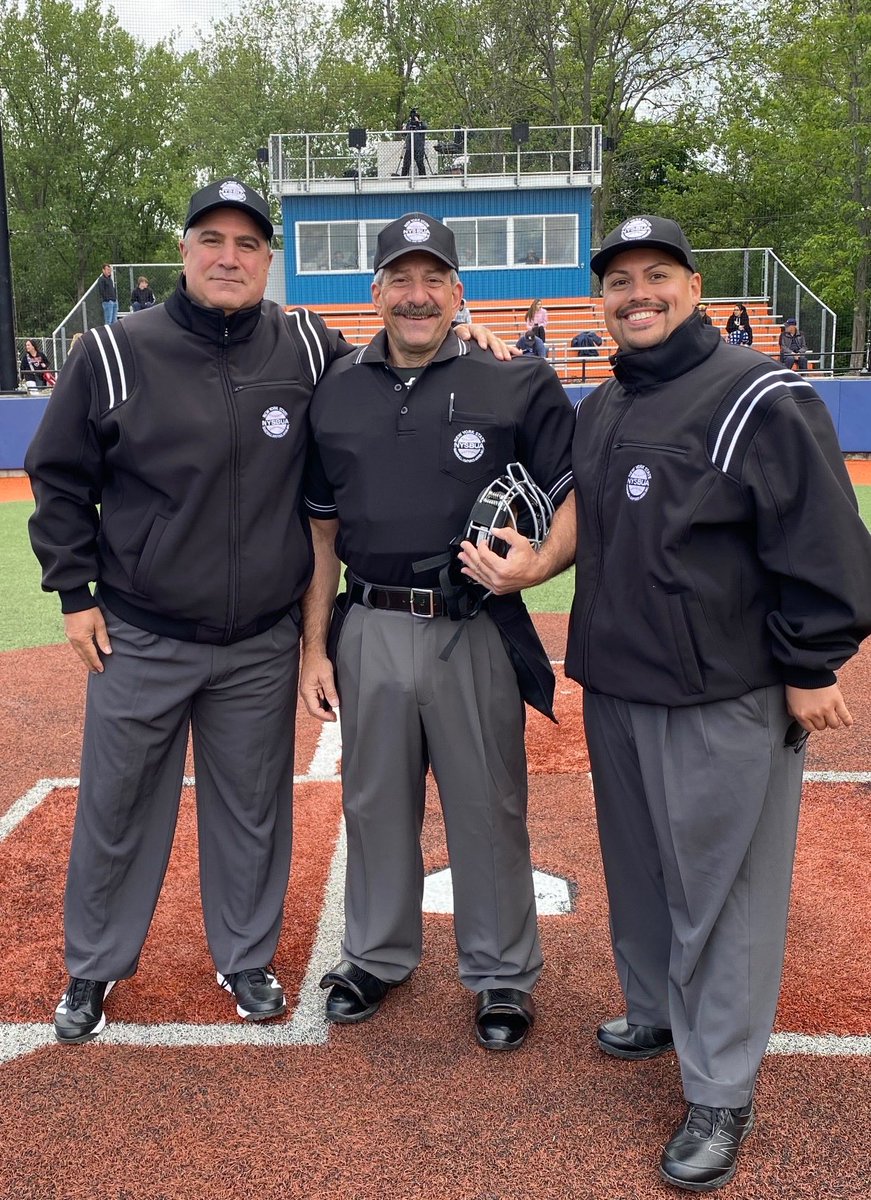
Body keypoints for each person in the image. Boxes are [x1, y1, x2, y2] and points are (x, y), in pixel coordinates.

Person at [26, 179, 510, 1048]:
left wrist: (463, 341)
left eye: (248, 245)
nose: (228, 257)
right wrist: (73, 595)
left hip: (258, 641)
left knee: (252, 809)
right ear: (183, 251)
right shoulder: (114, 350)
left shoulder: (303, 343)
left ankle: (244, 957)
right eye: (211, 240)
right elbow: (58, 480)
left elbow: (397, 351)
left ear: (266, 262)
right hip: (141, 630)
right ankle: (92, 967)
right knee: (118, 804)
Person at [456, 214, 871, 1191]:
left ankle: (720, 1089)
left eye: (656, 276)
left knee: (723, 897)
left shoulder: (757, 394)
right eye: (618, 281)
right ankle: (654, 1008)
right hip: (622, 681)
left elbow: (824, 541)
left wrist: (811, 665)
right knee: (640, 872)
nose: (636, 293)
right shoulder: (607, 402)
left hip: (721, 694)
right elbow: (587, 521)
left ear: (692, 288)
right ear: (600, 299)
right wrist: (533, 563)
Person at [299, 212, 575, 1051]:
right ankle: (378, 955)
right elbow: (319, 531)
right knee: (374, 803)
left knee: (487, 805)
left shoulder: (517, 382)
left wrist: (534, 567)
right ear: (374, 290)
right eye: (399, 279)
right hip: (369, 622)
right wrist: (314, 645)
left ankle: (500, 973)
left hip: (474, 623)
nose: (416, 296)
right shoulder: (335, 388)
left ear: (459, 290)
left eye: (433, 279)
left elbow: (574, 502)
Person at [399, 107, 427, 176]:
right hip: (409, 147)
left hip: (419, 148)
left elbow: (425, 128)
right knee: (406, 164)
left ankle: (423, 177)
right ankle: (403, 177)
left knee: (420, 163)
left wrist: (418, 122)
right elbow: (403, 134)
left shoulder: (421, 124)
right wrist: (404, 128)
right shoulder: (409, 124)